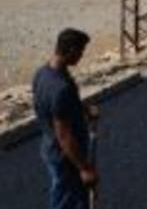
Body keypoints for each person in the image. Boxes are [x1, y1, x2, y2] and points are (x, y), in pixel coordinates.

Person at [33, 28, 98, 209]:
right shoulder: (60, 88)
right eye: (81, 51)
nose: (82, 56)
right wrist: (85, 168)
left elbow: (54, 107)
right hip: (66, 157)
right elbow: (64, 136)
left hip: (49, 148)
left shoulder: (42, 73)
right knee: (65, 200)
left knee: (67, 194)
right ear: (70, 50)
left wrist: (83, 108)